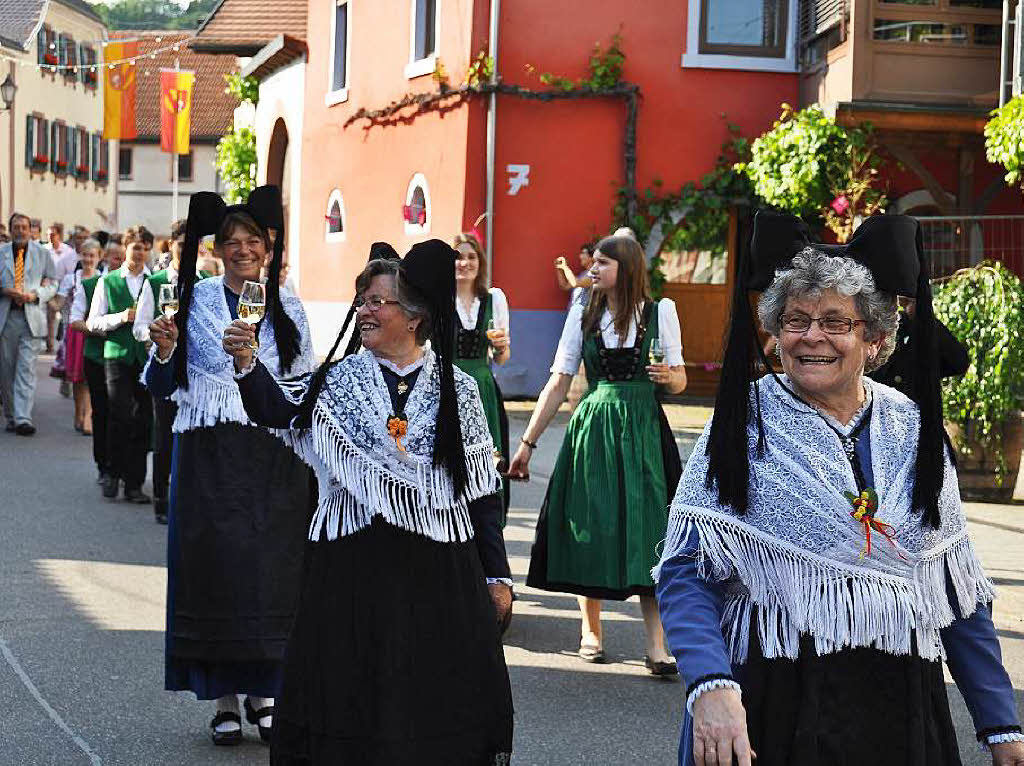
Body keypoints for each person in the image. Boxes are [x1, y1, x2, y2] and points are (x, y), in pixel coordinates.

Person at [655, 211, 1024, 766]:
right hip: (771, 694)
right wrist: (710, 684)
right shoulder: (741, 421)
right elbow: (686, 571)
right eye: (796, 320)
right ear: (776, 334)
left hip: (896, 705)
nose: (811, 337)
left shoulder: (912, 430)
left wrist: (1001, 725)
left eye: (834, 321)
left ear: (874, 339)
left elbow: (956, 593)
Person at [227, 240, 514, 764]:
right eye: (362, 301)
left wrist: (496, 576)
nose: (364, 310)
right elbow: (278, 410)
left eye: (378, 301)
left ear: (415, 316)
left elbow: (480, 493)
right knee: (349, 686)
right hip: (352, 564)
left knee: (430, 691)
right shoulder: (338, 382)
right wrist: (247, 362)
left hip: (436, 567)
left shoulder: (460, 390)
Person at [145, 187, 315, 746]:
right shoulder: (193, 301)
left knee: (270, 579)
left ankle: (265, 694)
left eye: (253, 241)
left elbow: (301, 387)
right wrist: (166, 351)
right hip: (210, 455)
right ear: (216, 249)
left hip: (273, 457)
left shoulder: (289, 307)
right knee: (217, 574)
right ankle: (223, 701)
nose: (243, 249)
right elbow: (164, 387)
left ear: (268, 249)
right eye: (232, 242)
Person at [508, 234, 687, 673]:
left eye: (603, 263)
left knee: (652, 529)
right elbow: (558, 380)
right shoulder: (582, 315)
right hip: (595, 426)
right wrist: (527, 445)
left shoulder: (660, 312)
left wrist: (668, 376)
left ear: (626, 269)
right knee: (590, 519)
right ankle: (591, 630)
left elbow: (680, 380)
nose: (593, 269)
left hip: (644, 425)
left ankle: (656, 644)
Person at [134, 219, 200, 524]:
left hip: (197, 371)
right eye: (181, 245)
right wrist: (156, 335)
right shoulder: (158, 281)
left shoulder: (207, 280)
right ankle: (161, 495)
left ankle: (187, 494)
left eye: (193, 246)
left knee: (193, 435)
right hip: (166, 365)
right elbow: (139, 326)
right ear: (171, 245)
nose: (187, 251)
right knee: (164, 435)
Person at [87, 226, 153, 503]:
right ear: (125, 248)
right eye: (135, 246)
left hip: (147, 357)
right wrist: (120, 317)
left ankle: (135, 483)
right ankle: (113, 472)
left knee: (144, 420)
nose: (139, 252)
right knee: (120, 415)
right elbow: (93, 322)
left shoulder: (156, 281)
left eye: (144, 247)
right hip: (116, 354)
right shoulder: (109, 281)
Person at [453, 231, 512, 520]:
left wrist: (501, 347)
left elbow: (502, 359)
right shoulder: (440, 302)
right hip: (447, 389)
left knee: (486, 459)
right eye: (458, 256)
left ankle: (486, 519)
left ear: (480, 261)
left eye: (471, 256)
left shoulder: (493, 300)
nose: (464, 263)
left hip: (482, 389)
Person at [70, 241, 123, 484]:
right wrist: (101, 328)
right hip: (97, 357)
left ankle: (125, 468)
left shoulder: (141, 284)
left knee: (126, 414)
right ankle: (104, 465)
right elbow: (75, 321)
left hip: (126, 358)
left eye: (123, 257)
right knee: (102, 412)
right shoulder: (91, 284)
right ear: (105, 259)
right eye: (115, 258)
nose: (120, 262)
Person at [0, 213, 57, 435]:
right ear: (11, 229)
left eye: (24, 227)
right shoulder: (2, 252)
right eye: (17, 227)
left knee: (26, 370)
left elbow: (53, 282)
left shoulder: (42, 253)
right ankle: (12, 416)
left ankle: (24, 417)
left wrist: (36, 294)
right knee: (7, 372)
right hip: (7, 318)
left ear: (30, 229)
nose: (21, 231)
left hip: (31, 317)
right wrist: (4, 290)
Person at [59, 239, 102, 434]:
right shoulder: (72, 278)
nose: (88, 259)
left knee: (89, 377)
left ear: (99, 257)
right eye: (85, 255)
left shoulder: (103, 279)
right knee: (76, 378)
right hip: (75, 331)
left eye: (92, 255)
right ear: (80, 256)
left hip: (94, 331)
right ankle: (78, 411)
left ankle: (88, 417)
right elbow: (59, 301)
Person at [45, 222, 77, 352]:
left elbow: (71, 270)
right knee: (50, 316)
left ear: (59, 235)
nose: (50, 237)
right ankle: (50, 343)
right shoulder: (44, 250)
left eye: (52, 234)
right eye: (48, 235)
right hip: (50, 285)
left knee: (66, 316)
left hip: (64, 287)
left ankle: (65, 343)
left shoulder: (68, 251)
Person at [555, 243, 595, 309]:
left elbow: (575, 282)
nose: (580, 256)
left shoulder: (594, 273)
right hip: (574, 313)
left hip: (584, 315)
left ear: (592, 257)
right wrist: (559, 269)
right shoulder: (583, 274)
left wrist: (565, 267)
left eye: (583, 253)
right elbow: (564, 286)